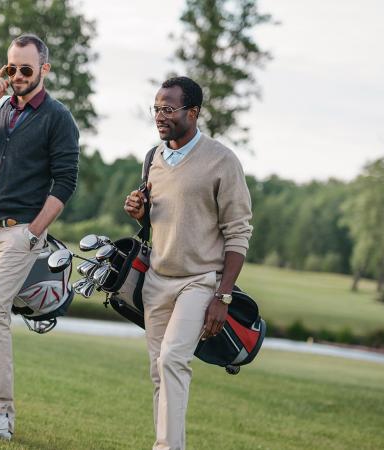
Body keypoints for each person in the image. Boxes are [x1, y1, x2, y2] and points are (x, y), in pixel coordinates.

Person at [0, 34, 80, 440]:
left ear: (44, 69)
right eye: (12, 69)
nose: (18, 76)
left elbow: (65, 184)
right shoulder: (2, 110)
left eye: (27, 69)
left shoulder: (59, 118)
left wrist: (33, 233)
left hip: (20, 234)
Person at [123, 76, 253, 450]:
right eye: (157, 108)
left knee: (173, 360)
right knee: (158, 372)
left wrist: (222, 296)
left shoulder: (222, 161)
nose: (160, 116)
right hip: (157, 280)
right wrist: (139, 213)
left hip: (199, 282)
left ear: (192, 113)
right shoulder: (154, 158)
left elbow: (239, 232)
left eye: (169, 109)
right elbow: (158, 223)